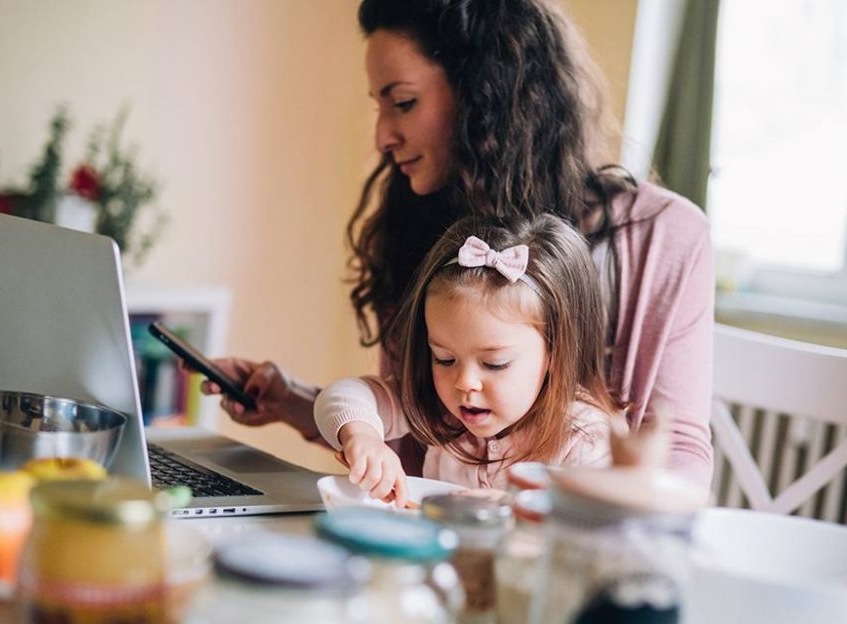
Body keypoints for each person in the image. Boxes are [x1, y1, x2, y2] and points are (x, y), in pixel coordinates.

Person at [203, 0, 715, 491]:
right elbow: (417, 433)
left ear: (482, 91)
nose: (382, 136)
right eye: (380, 108)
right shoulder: (424, 232)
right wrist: (291, 400)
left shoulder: (663, 237)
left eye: (403, 103)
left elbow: (677, 457)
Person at [314, 214, 620, 503]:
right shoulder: (441, 409)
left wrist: (511, 508)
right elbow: (341, 397)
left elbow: (596, 528)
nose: (464, 383)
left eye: (494, 364)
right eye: (444, 359)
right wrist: (362, 436)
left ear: (556, 352)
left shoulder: (585, 438)